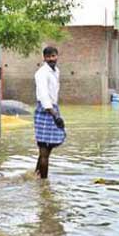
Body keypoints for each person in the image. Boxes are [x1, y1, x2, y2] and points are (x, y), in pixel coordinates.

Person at [34, 46, 66, 179]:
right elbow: (43, 95)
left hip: (54, 108)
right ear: (44, 58)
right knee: (44, 149)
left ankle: (36, 175)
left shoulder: (56, 71)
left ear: (57, 56)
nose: (51, 59)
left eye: (54, 56)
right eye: (49, 57)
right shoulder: (41, 73)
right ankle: (44, 185)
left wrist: (56, 112)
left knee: (47, 148)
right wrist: (55, 115)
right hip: (45, 110)